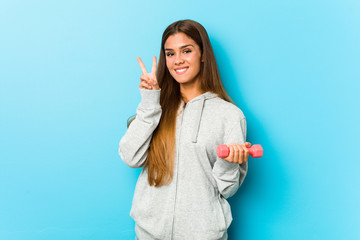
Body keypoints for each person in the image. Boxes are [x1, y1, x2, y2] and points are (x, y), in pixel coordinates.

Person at [119, 19, 251, 240]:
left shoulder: (229, 115)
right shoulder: (155, 107)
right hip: (149, 234)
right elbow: (131, 157)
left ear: (203, 54)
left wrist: (229, 163)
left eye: (186, 51)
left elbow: (227, 189)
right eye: (170, 54)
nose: (177, 60)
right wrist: (150, 103)